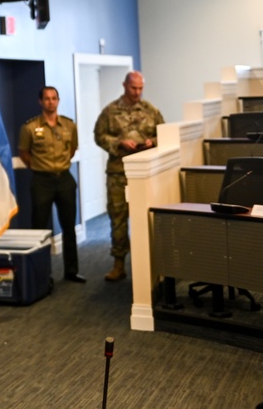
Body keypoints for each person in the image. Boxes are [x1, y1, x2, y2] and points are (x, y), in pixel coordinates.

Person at [93, 71, 164, 282]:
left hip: (146, 174)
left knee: (148, 219)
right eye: (134, 88)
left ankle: (151, 265)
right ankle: (118, 265)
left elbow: (163, 133)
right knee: (118, 218)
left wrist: (152, 141)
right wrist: (118, 143)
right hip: (118, 173)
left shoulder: (151, 110)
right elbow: (99, 135)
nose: (137, 92)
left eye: (141, 88)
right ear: (124, 85)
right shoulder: (110, 111)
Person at [18, 86, 83, 283]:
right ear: (40, 102)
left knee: (69, 227)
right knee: (40, 229)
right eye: (46, 99)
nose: (50, 102)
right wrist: (40, 167)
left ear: (58, 100)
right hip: (41, 181)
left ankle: (71, 271)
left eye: (54, 98)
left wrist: (59, 166)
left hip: (64, 179)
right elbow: (24, 154)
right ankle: (41, 275)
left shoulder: (69, 126)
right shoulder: (29, 127)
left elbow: (72, 149)